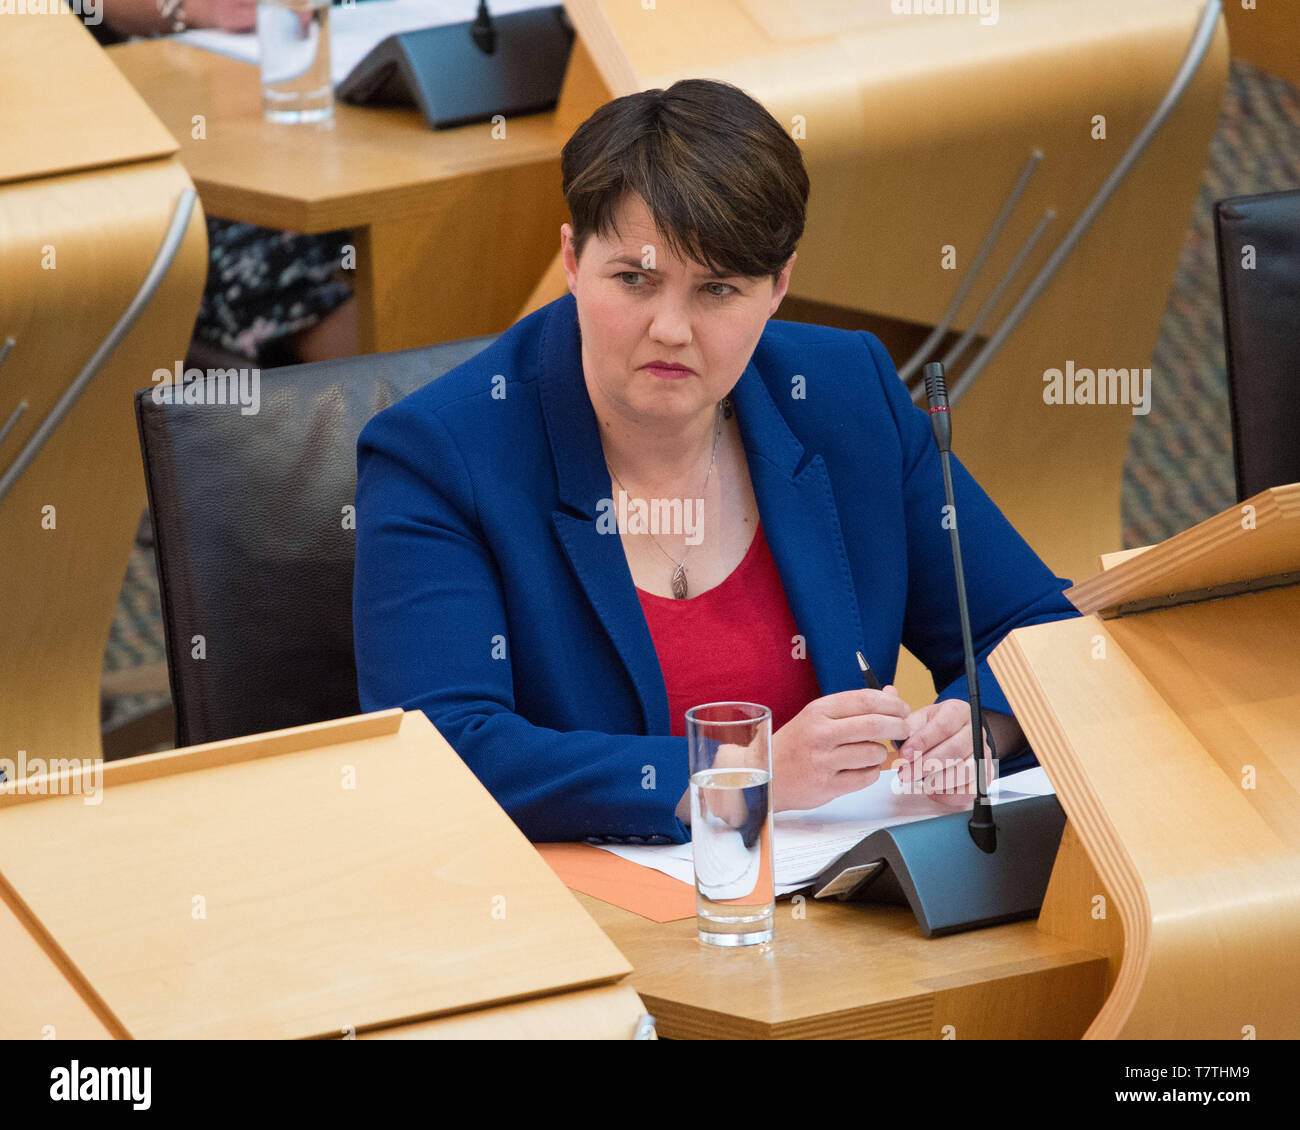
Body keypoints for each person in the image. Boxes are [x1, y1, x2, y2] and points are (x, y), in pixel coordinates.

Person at [352, 79, 1080, 844]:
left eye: (718, 290)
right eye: (634, 279)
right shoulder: (437, 456)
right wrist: (738, 778)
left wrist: (982, 719)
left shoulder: (846, 395)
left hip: (839, 904)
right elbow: (446, 746)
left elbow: (1029, 621)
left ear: (779, 288)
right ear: (572, 259)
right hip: (579, 917)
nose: (671, 328)